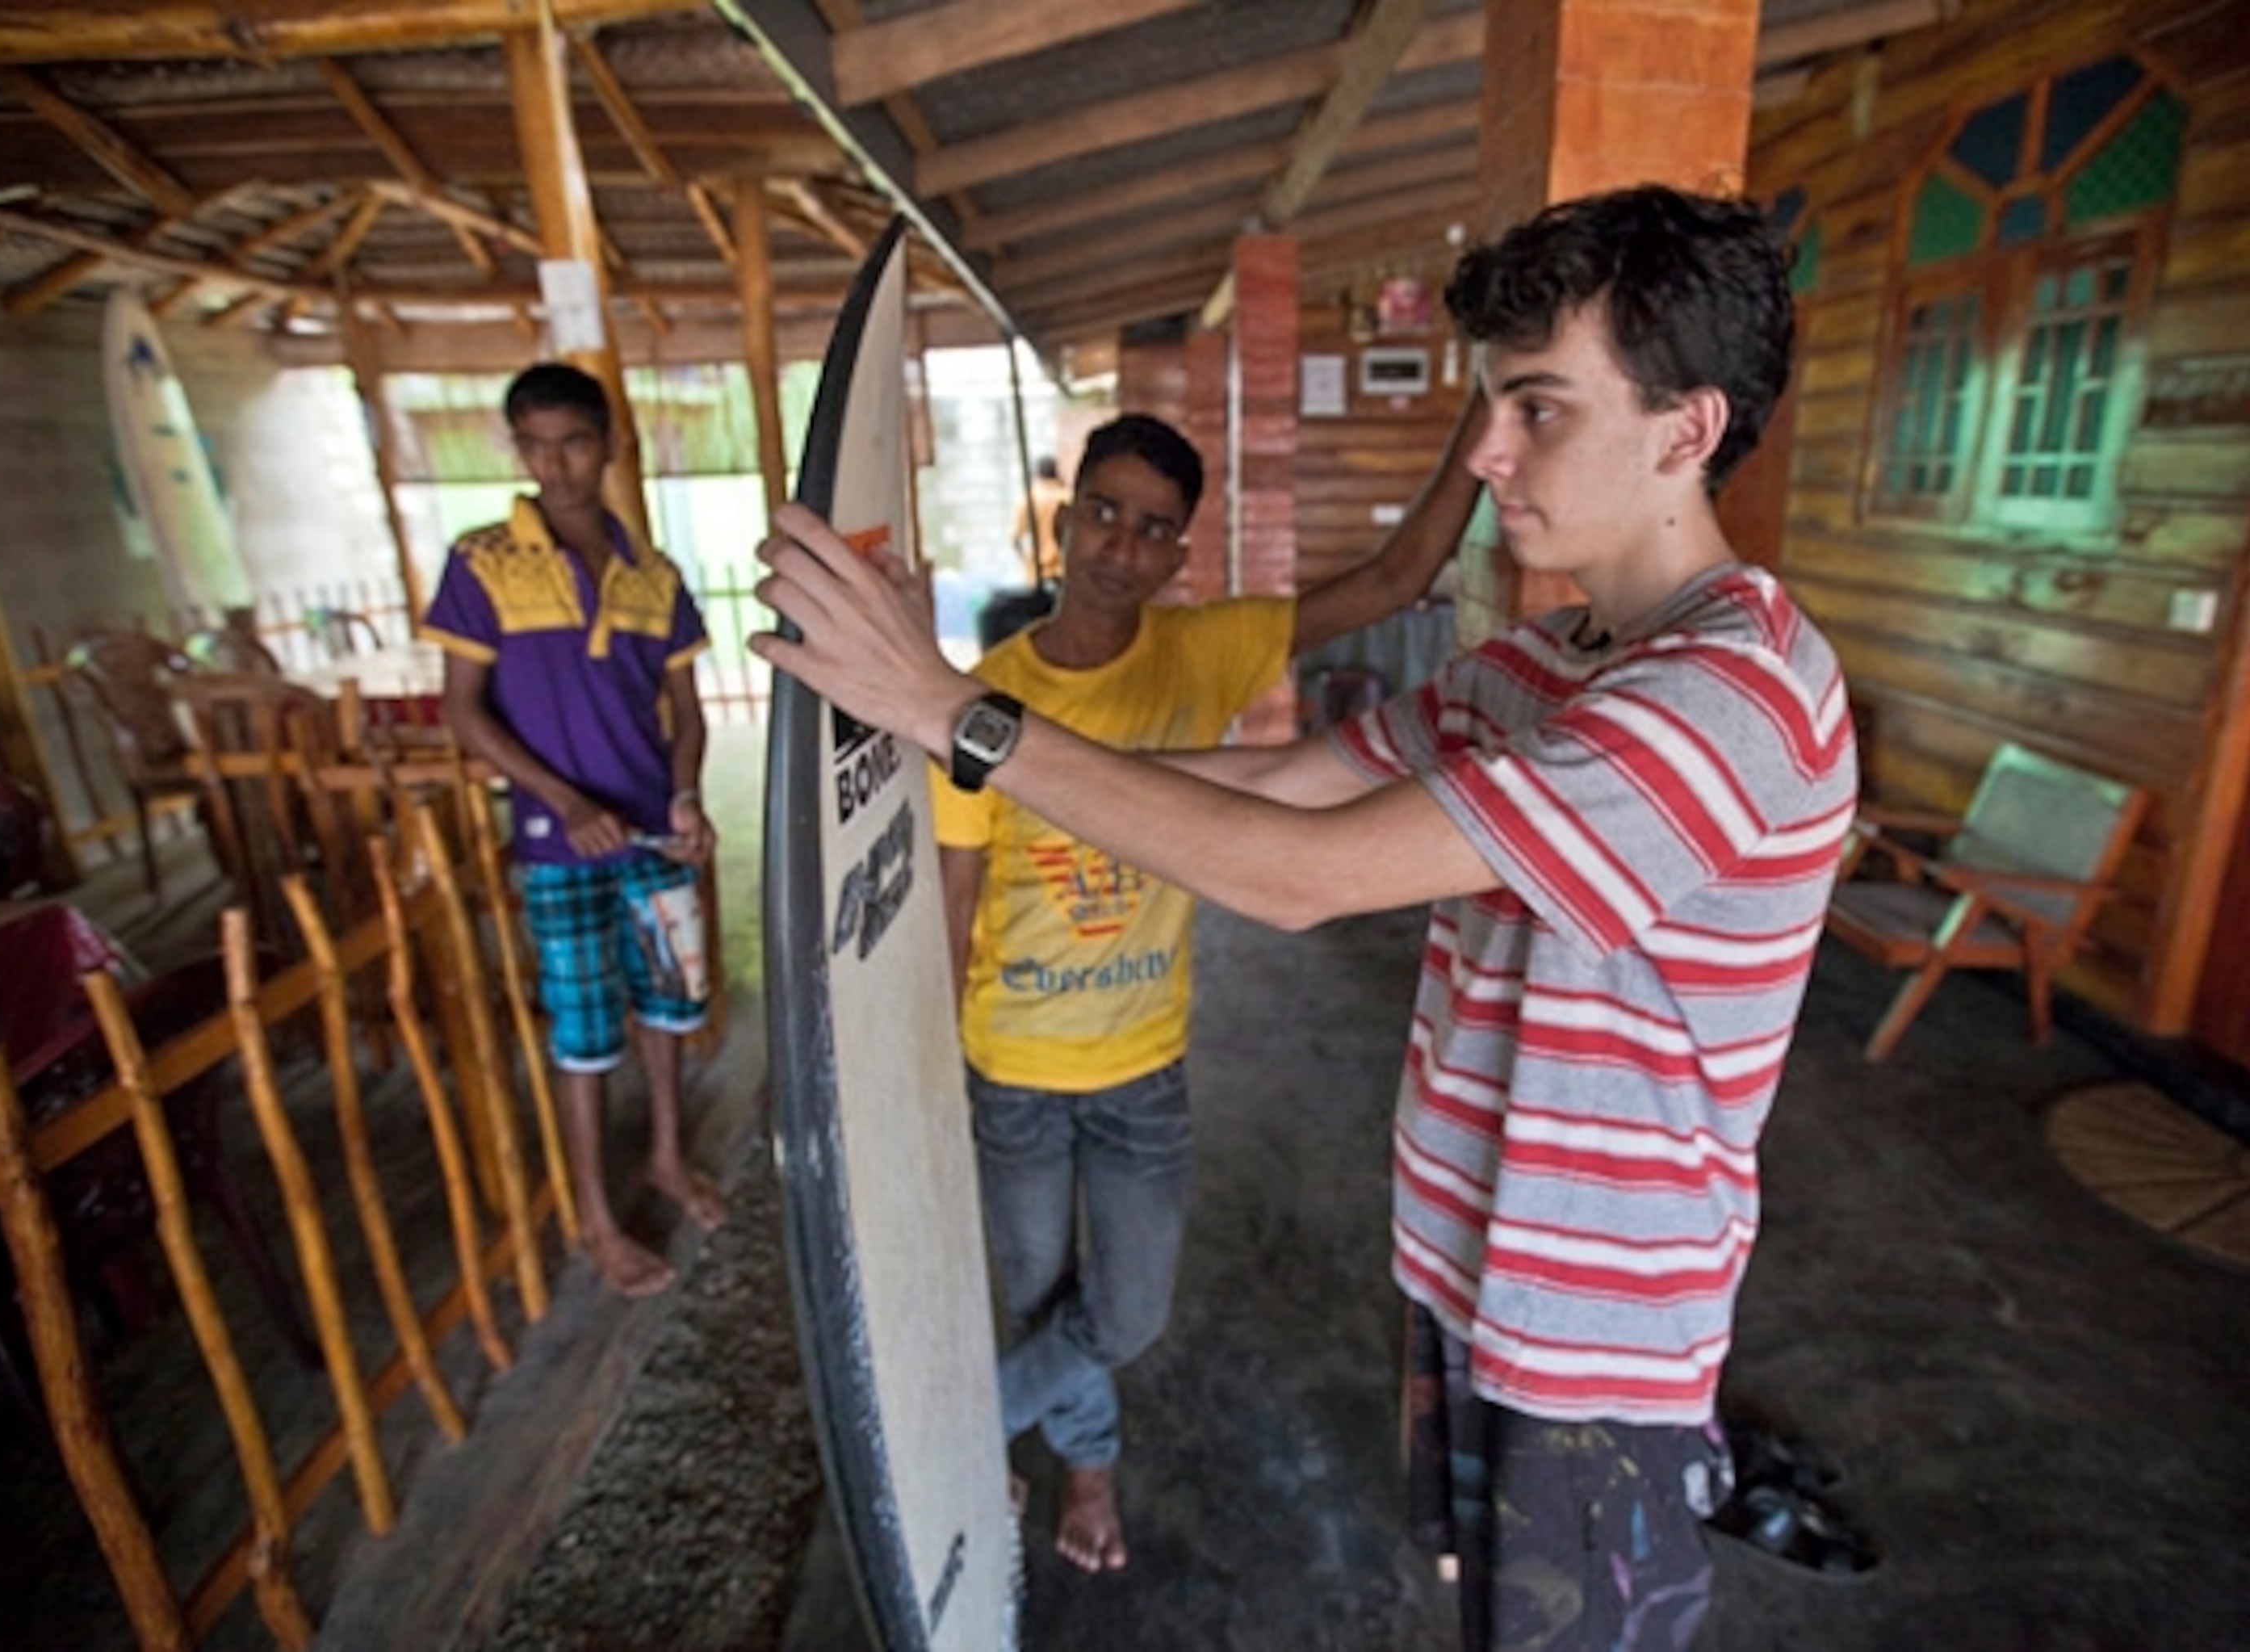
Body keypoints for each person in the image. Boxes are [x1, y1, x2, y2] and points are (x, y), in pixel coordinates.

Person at [756, 184, 1856, 1650]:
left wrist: (953, 709)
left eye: (1536, 409)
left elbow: (1294, 876)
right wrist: (942, 738)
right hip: (1474, 1274)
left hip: (1593, 1346)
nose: (1486, 453)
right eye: (1488, 405)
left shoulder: (1728, 694)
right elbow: (1275, 781)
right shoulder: (1545, 661)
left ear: (1686, 428)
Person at [938, 407, 1485, 1574]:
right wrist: (944, 1060)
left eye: (1151, 531)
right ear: (1066, 516)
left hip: (1142, 1070)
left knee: (1124, 1314)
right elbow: (957, 883)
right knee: (1041, 1303)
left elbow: (1400, 575)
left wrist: (1487, 403)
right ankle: (1088, 1473)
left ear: (1178, 554)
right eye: (1102, 514)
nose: (1119, 548)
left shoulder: (1204, 649)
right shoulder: (983, 698)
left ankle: (959, 1431)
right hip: (1013, 1070)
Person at [424, 362, 725, 1301]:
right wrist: (564, 801)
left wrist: (684, 798)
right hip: (560, 850)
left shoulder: (654, 574)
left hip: (654, 839)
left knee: (671, 1007)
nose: (557, 465)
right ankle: (595, 1217)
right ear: (517, 450)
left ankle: (668, 1159)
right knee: (585, 1032)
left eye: (576, 443)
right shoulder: (482, 563)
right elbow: (464, 712)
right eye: (538, 446)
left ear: (610, 446)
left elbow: (689, 711)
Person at [1013, 455, 1070, 586]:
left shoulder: (1028, 500)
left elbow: (1017, 540)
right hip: (1063, 571)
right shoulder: (1067, 498)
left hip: (1037, 574)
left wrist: (1028, 562)